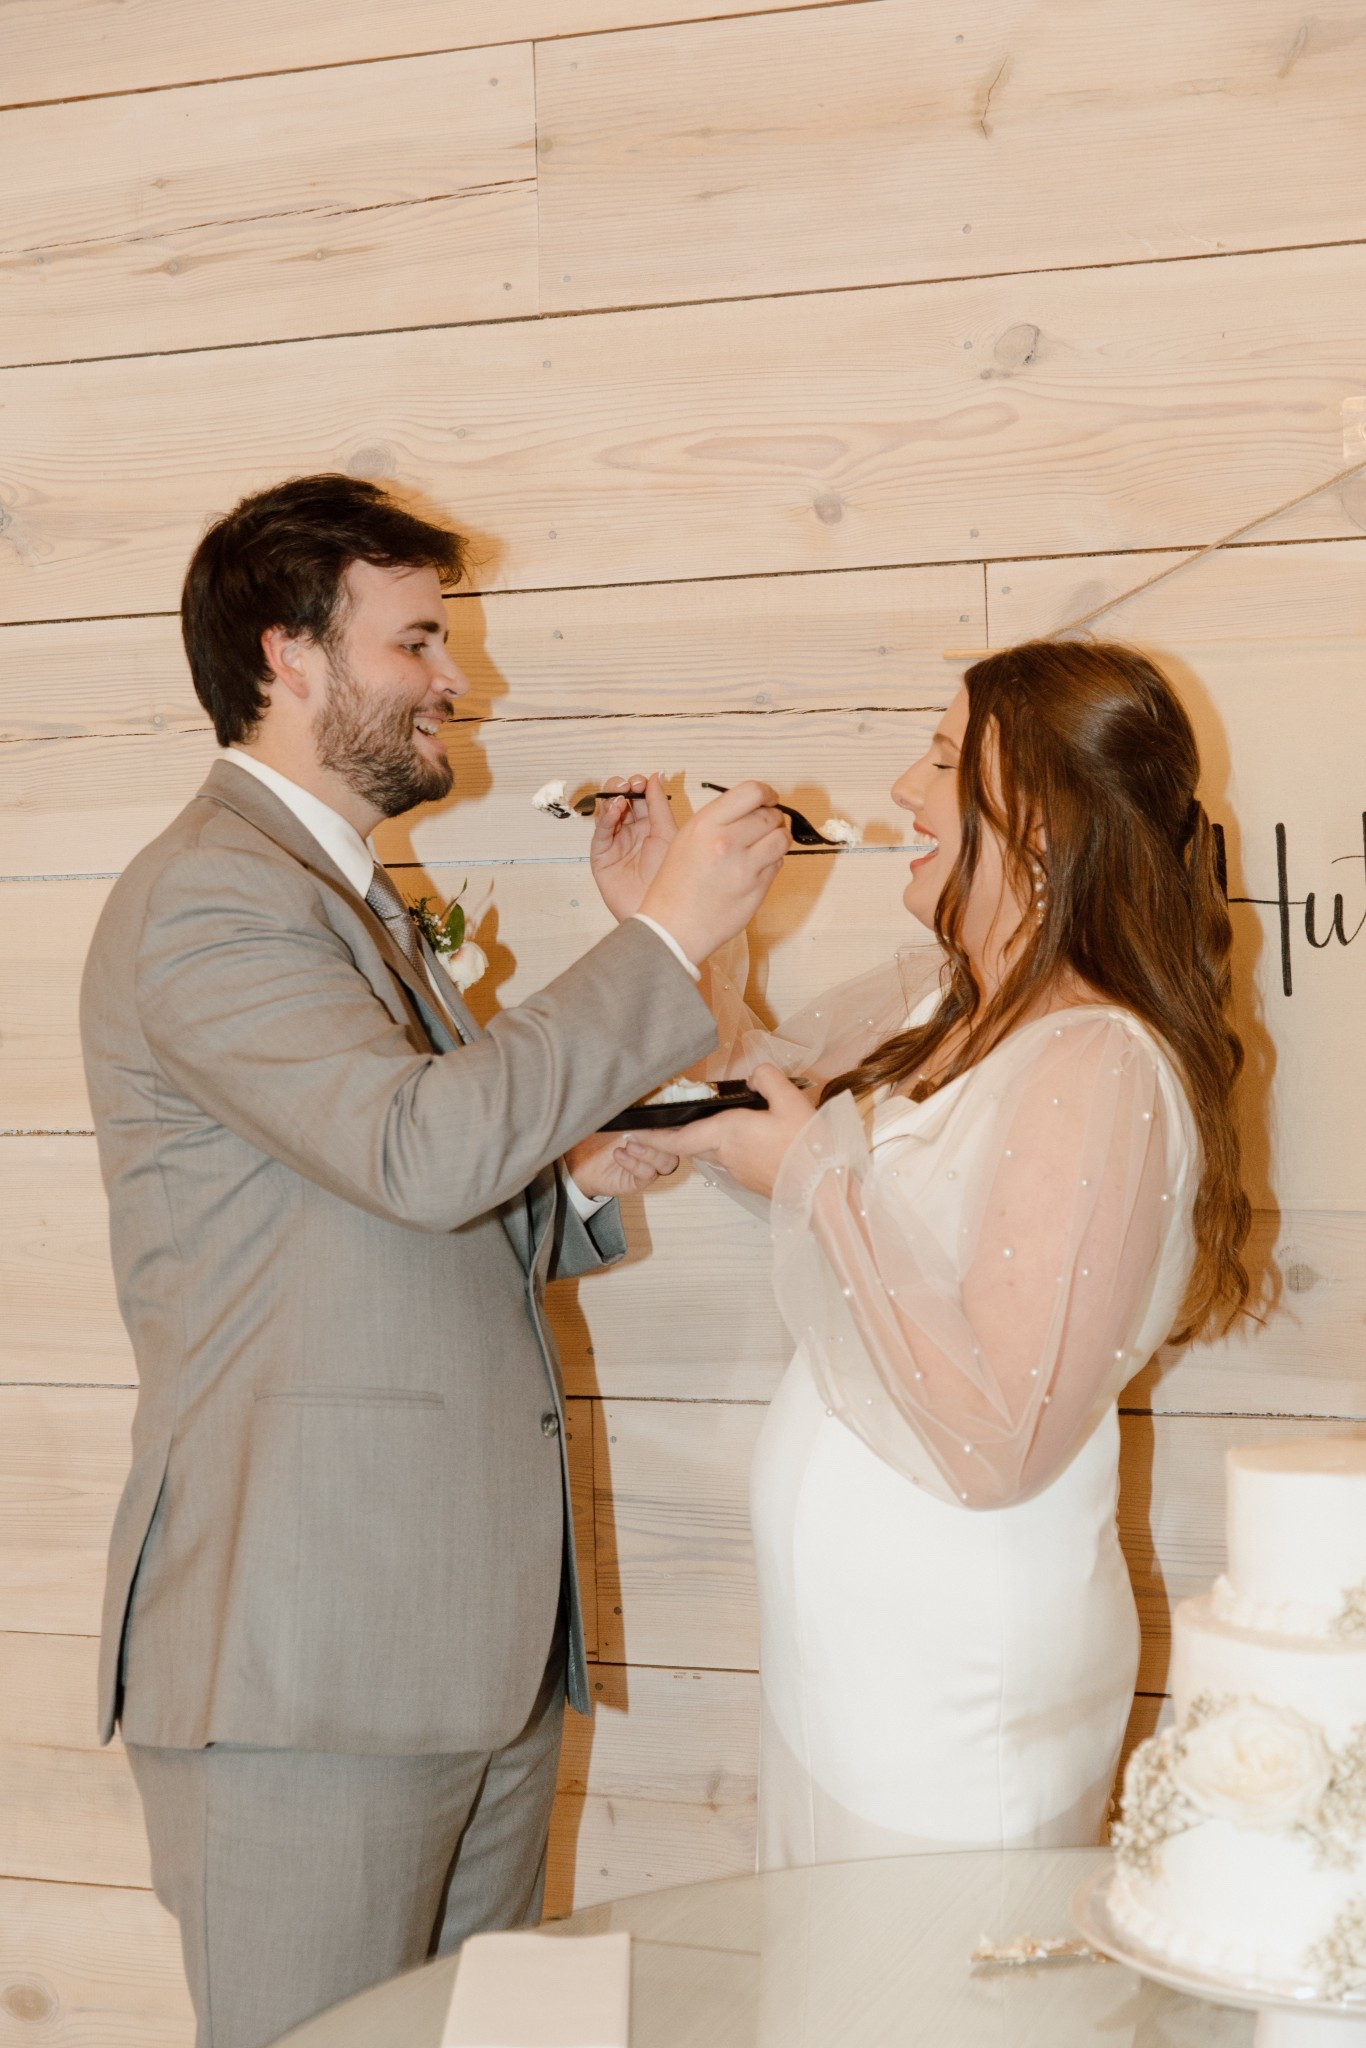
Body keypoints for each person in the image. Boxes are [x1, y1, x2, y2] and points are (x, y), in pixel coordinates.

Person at [79, 473, 787, 2048]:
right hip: (305, 1668)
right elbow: (417, 1151)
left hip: (467, 1657)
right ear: (292, 660)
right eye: (417, 642)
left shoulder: (349, 897)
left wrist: (585, 1175)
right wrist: (658, 944)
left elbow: (400, 1204)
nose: (459, 681)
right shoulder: (211, 896)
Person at [664, 639, 1252, 1867]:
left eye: (940, 757)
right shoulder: (950, 1006)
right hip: (858, 1678)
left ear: (1036, 816)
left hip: (951, 1698)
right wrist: (668, 932)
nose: (900, 788)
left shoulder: (1095, 1064)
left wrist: (818, 1180)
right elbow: (763, 1122)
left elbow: (997, 1429)